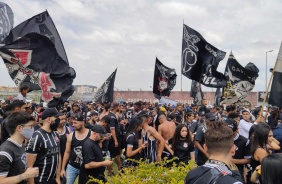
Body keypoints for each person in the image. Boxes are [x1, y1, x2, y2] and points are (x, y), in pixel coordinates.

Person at [0, 111, 39, 184]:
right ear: (19, 128)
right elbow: (1, 180)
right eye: (30, 126)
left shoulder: (20, 145)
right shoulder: (6, 151)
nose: (32, 129)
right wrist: (25, 175)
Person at [26, 107, 62, 184]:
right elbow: (29, 165)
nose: (58, 120)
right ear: (48, 119)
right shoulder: (37, 136)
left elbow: (58, 155)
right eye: (56, 118)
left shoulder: (55, 134)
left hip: (53, 180)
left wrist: (58, 177)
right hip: (40, 180)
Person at [60, 113, 91, 184]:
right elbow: (67, 152)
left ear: (82, 122)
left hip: (85, 167)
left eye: (75, 123)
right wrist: (62, 169)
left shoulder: (91, 134)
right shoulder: (71, 135)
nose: (73, 125)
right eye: (72, 123)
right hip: (72, 166)